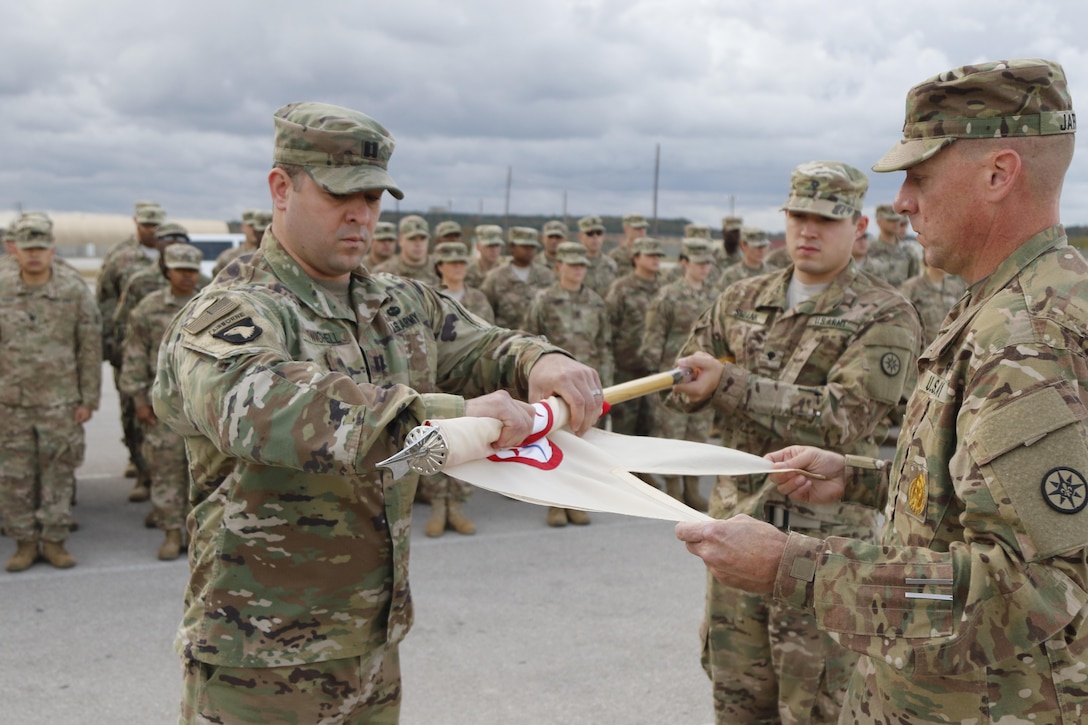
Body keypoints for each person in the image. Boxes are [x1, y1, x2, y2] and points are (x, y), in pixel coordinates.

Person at [152, 101, 602, 723]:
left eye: (372, 197)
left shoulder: (397, 303)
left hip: (372, 644)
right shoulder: (234, 312)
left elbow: (484, 343)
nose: (360, 214)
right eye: (341, 195)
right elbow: (266, 405)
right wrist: (448, 414)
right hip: (258, 660)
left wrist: (540, 361)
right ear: (281, 188)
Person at [675, 58, 1088, 725]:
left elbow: (1037, 589)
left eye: (920, 176)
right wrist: (862, 479)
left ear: (998, 173)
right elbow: (978, 497)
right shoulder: (1009, 303)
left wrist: (794, 566)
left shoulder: (1027, 333)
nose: (901, 203)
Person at [669, 160, 922, 723]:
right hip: (736, 530)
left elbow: (841, 420)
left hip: (822, 553)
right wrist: (689, 387)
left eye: (826, 220)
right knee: (737, 698)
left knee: (820, 705)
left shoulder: (884, 313)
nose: (808, 231)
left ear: (857, 226)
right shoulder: (740, 299)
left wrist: (728, 384)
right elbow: (683, 381)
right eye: (798, 217)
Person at [0, 216, 101, 571]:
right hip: (9, 404)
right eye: (27, 249)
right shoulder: (2, 288)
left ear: (52, 251)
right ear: (15, 251)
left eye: (40, 249)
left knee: (58, 474)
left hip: (60, 403)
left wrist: (88, 399)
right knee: (14, 478)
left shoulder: (73, 291)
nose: (33, 256)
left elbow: (88, 348)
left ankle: (55, 541)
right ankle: (25, 543)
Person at [119, 243, 203, 560]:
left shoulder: (214, 303)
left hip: (202, 407)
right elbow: (135, 356)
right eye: (180, 269)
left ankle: (197, 536)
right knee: (167, 471)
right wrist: (139, 399)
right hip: (165, 407)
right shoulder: (148, 308)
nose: (186, 276)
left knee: (203, 475)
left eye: (192, 270)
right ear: (167, 271)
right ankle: (171, 533)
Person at [523, 242, 613, 527]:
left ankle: (576, 500)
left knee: (581, 442)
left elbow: (604, 345)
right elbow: (529, 341)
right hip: (554, 386)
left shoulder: (596, 302)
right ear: (558, 266)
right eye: (572, 264)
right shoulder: (544, 300)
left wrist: (605, 383)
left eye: (582, 265)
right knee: (554, 443)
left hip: (588, 385)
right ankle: (554, 503)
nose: (577, 270)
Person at [418, 241, 494, 538]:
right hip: (436, 379)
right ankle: (438, 505)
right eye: (450, 262)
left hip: (469, 380)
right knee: (436, 438)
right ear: (439, 266)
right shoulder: (429, 297)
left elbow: (490, 337)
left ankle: (458, 507)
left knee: (466, 441)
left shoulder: (478, 298)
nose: (457, 267)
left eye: (461, 261)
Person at [639, 238, 718, 510]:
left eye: (708, 262)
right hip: (672, 375)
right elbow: (653, 338)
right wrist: (657, 376)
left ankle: (692, 488)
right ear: (685, 262)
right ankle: (673, 489)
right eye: (699, 262)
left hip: (703, 375)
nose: (704, 268)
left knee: (697, 434)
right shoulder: (668, 296)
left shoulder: (714, 296)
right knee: (672, 435)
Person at [97, 201, 164, 488]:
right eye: (146, 224)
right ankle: (140, 468)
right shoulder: (120, 256)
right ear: (136, 222)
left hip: (163, 349)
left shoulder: (171, 253)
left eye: (156, 224)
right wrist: (111, 343)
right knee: (131, 410)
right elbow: (105, 298)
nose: (152, 230)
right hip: (129, 348)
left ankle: (160, 475)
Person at [605, 237, 665, 439]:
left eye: (658, 256)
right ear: (636, 258)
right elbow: (610, 325)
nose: (655, 260)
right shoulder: (622, 288)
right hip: (627, 368)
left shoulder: (664, 289)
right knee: (624, 426)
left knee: (650, 424)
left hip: (655, 370)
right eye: (650, 255)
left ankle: (643, 471)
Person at [480, 226, 553, 330]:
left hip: (540, 342)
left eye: (532, 247)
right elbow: (485, 312)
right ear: (512, 247)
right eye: (524, 246)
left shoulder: (547, 276)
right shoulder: (495, 277)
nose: (529, 250)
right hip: (507, 340)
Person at [899, 262, 967, 347]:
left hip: (949, 350)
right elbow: (903, 321)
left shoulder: (955, 288)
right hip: (922, 350)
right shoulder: (911, 288)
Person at [863, 203, 922, 287]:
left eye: (898, 220)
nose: (896, 223)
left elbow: (914, 282)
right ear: (879, 222)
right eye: (891, 220)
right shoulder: (867, 250)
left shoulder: (908, 252)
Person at [374, 214, 439, 286]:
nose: (418, 244)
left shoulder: (442, 268)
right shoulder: (384, 272)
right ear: (400, 240)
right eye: (412, 238)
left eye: (423, 238)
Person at [212, 209, 272, 277]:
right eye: (251, 225)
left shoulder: (268, 256)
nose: (254, 230)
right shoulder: (228, 257)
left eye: (258, 227)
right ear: (243, 227)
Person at [715, 226, 771, 293]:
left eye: (764, 246)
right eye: (757, 247)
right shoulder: (730, 275)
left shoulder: (774, 274)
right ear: (743, 245)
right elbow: (717, 300)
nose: (761, 251)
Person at [576, 215, 619, 297]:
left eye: (599, 233)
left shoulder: (611, 265)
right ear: (580, 236)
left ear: (603, 236)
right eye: (590, 233)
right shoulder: (573, 265)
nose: (595, 237)